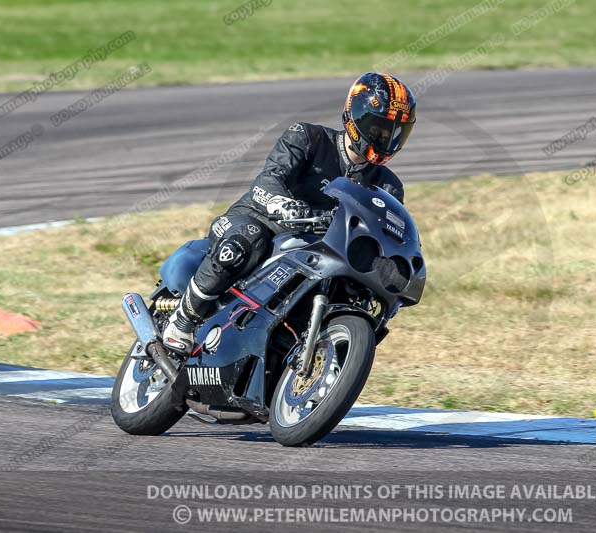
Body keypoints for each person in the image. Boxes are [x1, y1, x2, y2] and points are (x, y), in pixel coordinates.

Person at [161, 72, 417, 355]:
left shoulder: (389, 186)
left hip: (319, 253)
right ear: (356, 116)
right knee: (248, 240)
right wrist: (284, 205)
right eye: (379, 128)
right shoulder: (307, 137)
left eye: (395, 132)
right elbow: (269, 179)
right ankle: (183, 321)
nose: (385, 138)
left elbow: (387, 237)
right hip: (261, 221)